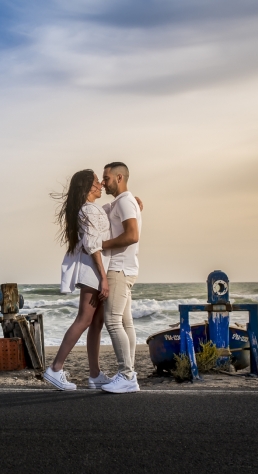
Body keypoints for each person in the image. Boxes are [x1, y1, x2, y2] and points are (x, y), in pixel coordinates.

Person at [43, 169, 112, 391]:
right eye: (96, 182)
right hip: (93, 271)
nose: (101, 184)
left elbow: (105, 218)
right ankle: (55, 368)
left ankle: (95, 374)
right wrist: (103, 277)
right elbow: (93, 245)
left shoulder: (91, 209)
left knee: (97, 322)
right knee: (84, 319)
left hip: (97, 271)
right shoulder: (87, 210)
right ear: (88, 187)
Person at [98, 162, 142, 394]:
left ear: (120, 177)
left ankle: (126, 375)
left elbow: (132, 235)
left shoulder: (125, 201)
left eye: (106, 178)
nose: (103, 182)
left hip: (119, 269)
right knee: (125, 323)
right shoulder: (124, 201)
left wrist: (102, 245)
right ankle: (128, 373)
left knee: (113, 322)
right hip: (126, 268)